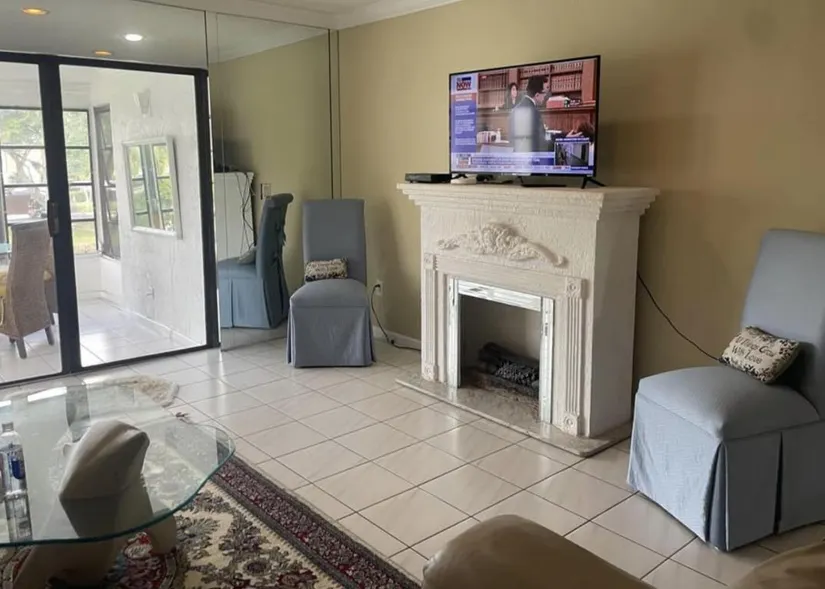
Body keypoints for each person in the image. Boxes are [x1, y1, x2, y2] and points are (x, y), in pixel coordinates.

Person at [509, 76, 548, 152]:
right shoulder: (534, 112)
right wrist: (560, 142)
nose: (545, 95)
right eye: (544, 92)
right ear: (537, 95)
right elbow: (541, 144)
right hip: (531, 156)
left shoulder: (515, 109)